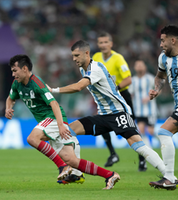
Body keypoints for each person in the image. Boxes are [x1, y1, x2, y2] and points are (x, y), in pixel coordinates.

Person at [48, 40, 171, 189]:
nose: (74, 59)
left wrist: (54, 90)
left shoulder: (95, 68)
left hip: (119, 113)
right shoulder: (84, 70)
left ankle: (168, 176)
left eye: (76, 55)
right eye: (73, 56)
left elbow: (79, 86)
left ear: (87, 53)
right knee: (69, 130)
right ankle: (76, 172)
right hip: (103, 116)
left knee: (138, 146)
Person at [6, 54, 120, 190]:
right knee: (71, 160)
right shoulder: (17, 84)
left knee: (32, 138)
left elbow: (54, 104)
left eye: (15, 70)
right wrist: (8, 108)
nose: (13, 74)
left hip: (53, 118)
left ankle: (62, 167)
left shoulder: (37, 83)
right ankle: (110, 175)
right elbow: (10, 98)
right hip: (48, 123)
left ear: (24, 68)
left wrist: (61, 125)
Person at [92, 32, 146, 171]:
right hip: (106, 98)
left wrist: (114, 89)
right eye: (100, 42)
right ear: (98, 44)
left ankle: (142, 158)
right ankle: (113, 154)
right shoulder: (96, 57)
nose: (103, 45)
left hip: (122, 96)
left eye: (106, 42)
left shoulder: (118, 58)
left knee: (131, 126)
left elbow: (128, 79)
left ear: (111, 43)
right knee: (101, 123)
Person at [149, 25, 178, 190]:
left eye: (163, 40)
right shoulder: (163, 58)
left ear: (173, 40)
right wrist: (157, 90)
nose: (161, 45)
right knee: (164, 132)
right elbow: (160, 76)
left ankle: (169, 177)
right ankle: (170, 178)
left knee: (164, 131)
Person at [129, 59, 157, 171]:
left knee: (150, 132)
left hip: (150, 111)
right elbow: (130, 94)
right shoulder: (133, 80)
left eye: (141, 65)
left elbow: (157, 91)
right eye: (137, 65)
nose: (139, 67)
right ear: (135, 68)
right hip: (138, 111)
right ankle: (143, 161)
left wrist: (149, 97)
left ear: (145, 67)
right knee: (140, 133)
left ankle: (163, 139)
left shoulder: (150, 79)